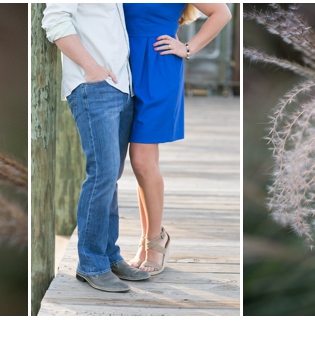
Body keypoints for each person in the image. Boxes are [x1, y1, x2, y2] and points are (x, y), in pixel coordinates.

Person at [42, 4, 153, 294]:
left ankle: (109, 256)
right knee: (101, 174)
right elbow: (54, 21)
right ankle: (90, 263)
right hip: (94, 87)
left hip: (122, 88)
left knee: (110, 177)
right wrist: (91, 68)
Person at [124, 3, 232, 274]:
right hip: (123, 66)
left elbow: (223, 12)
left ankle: (155, 240)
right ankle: (149, 237)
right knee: (142, 165)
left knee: (141, 161)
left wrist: (188, 48)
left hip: (159, 68)